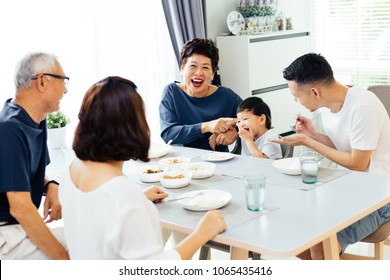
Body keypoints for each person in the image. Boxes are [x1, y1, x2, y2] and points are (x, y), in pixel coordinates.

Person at [59, 76, 226, 260]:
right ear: (132, 126)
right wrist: (202, 233)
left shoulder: (72, 170)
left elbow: (97, 213)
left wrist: (139, 198)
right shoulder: (124, 197)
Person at [271, 53, 390, 259]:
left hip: (379, 197)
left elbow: (358, 163)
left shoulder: (362, 107)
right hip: (350, 188)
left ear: (315, 91)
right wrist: (313, 135)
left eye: (296, 96)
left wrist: (308, 142)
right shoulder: (328, 106)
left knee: (320, 245)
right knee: (295, 237)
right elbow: (345, 148)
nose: (295, 101)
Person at [0, 52, 69, 259]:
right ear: (41, 81)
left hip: (16, 229)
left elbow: (23, 174)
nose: (66, 89)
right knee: (88, 246)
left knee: (93, 237)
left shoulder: (35, 120)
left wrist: (50, 185)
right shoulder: (9, 128)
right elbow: (21, 208)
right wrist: (64, 260)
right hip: (6, 236)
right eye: (63, 80)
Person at [159, 38, 242, 152]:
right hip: (181, 164)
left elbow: (255, 120)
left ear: (212, 74)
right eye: (193, 66)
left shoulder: (226, 96)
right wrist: (207, 126)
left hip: (218, 163)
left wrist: (236, 132)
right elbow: (169, 135)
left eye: (205, 67)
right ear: (182, 69)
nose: (199, 73)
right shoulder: (172, 92)